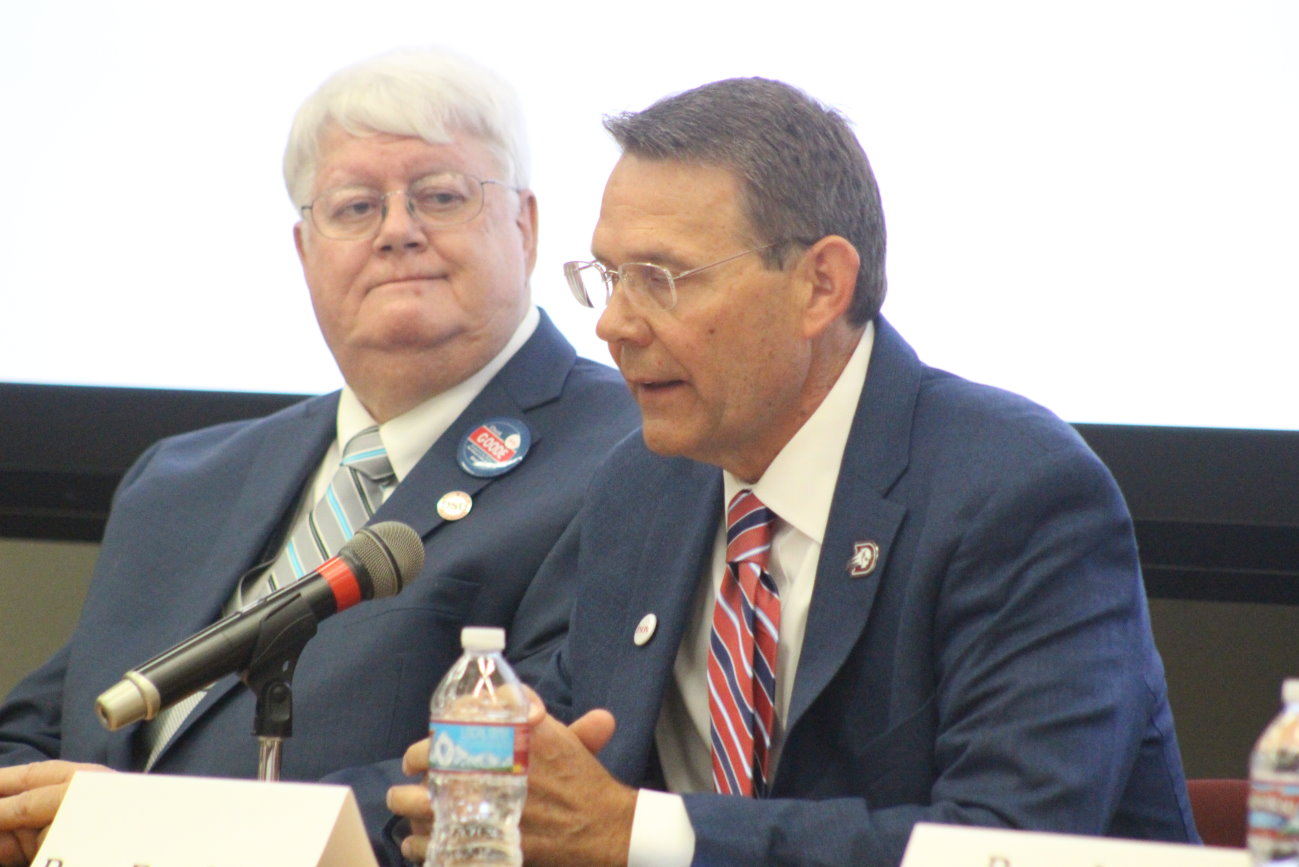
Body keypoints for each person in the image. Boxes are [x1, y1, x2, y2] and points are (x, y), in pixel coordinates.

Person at [389, 76, 1199, 865]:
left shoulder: (1017, 493)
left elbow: (1012, 843)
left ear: (820, 285)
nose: (612, 324)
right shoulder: (642, 487)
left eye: (660, 279)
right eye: (606, 276)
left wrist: (639, 835)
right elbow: (556, 761)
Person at [0, 48, 638, 866]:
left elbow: (514, 771)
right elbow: (41, 728)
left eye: (440, 196)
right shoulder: (182, 477)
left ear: (526, 226)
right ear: (305, 249)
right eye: (356, 206)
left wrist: (134, 825)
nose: (398, 230)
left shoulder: (627, 454)